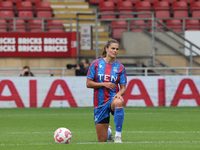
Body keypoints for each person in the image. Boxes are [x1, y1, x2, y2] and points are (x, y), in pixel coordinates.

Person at [86, 39, 127, 143]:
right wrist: (104, 84)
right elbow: (88, 83)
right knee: (102, 140)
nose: (115, 51)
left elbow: (123, 88)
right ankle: (108, 132)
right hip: (99, 103)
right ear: (106, 49)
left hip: (112, 98)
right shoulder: (96, 64)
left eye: (117, 49)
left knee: (118, 102)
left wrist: (119, 94)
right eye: (113, 48)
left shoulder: (120, 67)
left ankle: (118, 136)